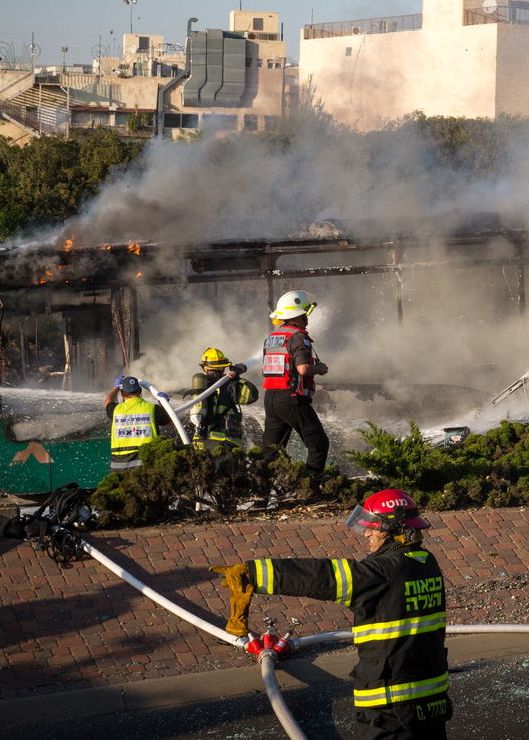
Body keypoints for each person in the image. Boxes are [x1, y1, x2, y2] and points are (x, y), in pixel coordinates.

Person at [211, 489, 451, 739]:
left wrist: (253, 574)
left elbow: (322, 576)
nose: (366, 533)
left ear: (394, 529)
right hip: (431, 702)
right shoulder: (426, 563)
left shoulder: (381, 573)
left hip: (390, 709)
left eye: (373, 527)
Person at [259, 290, 330, 473]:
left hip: (271, 398)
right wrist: (320, 369)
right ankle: (311, 485)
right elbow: (303, 369)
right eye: (306, 313)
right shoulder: (298, 336)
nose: (307, 317)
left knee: (271, 452)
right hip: (291, 398)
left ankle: (262, 489)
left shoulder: (272, 338)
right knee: (318, 444)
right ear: (299, 315)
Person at [184, 347, 254, 455]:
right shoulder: (230, 384)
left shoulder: (200, 386)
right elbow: (252, 395)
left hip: (200, 441)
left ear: (204, 368)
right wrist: (236, 375)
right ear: (222, 368)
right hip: (224, 443)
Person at [103, 375, 174, 471]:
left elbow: (108, 401)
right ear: (140, 391)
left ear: (122, 394)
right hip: (146, 466)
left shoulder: (115, 410)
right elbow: (171, 423)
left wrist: (115, 387)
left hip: (119, 467)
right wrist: (165, 405)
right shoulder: (153, 409)